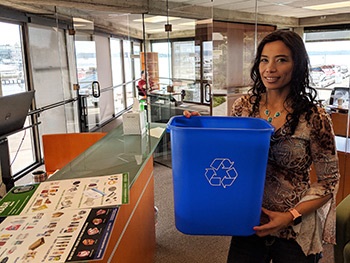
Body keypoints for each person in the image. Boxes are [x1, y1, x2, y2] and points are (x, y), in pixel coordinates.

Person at [184, 30, 340, 262]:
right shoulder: (244, 107)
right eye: (264, 60)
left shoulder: (314, 117)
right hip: (248, 220)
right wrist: (199, 126)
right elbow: (227, 153)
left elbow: (329, 181)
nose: (270, 68)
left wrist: (290, 216)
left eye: (281, 60)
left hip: (294, 229)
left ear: (297, 65)